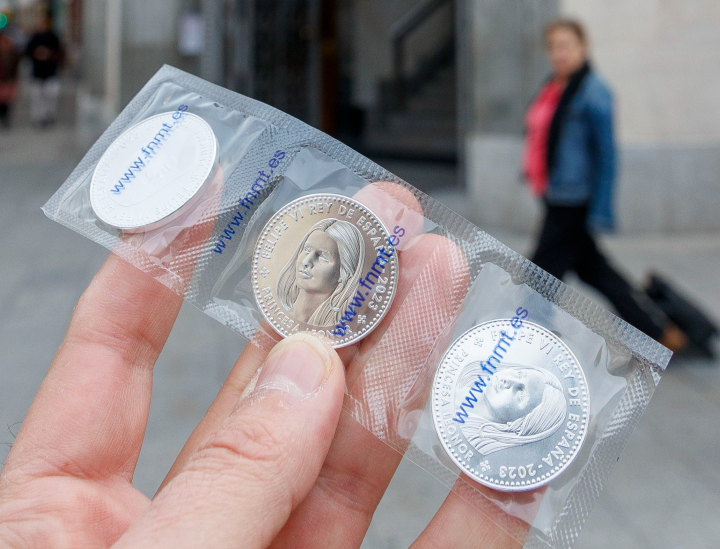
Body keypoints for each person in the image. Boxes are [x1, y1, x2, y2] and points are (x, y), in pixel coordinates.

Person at [524, 19, 686, 352]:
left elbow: (607, 156)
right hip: (555, 193)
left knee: (539, 273)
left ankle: (529, 334)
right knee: (595, 271)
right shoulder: (554, 86)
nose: (560, 53)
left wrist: (600, 209)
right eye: (554, 46)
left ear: (583, 47)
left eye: (567, 45)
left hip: (574, 199)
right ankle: (657, 331)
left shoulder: (594, 90)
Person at [459, 364, 567, 456]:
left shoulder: (472, 442)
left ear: (519, 424)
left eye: (521, 395)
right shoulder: (460, 380)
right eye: (520, 374)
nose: (508, 380)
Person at [277, 218, 365, 325]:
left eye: (323, 256)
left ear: (344, 273)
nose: (306, 262)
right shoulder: (279, 316)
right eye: (307, 250)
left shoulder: (339, 328)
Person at [24, 10, 63, 127]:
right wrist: (37, 53)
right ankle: (38, 117)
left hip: (50, 72)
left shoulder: (53, 37)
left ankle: (49, 115)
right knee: (37, 97)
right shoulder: (34, 38)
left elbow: (59, 54)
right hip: (37, 72)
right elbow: (28, 52)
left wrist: (49, 54)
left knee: (51, 95)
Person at [0, 29, 21, 128]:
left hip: (8, 79)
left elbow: (15, 66)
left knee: (6, 100)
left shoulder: (12, 53)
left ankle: (5, 117)